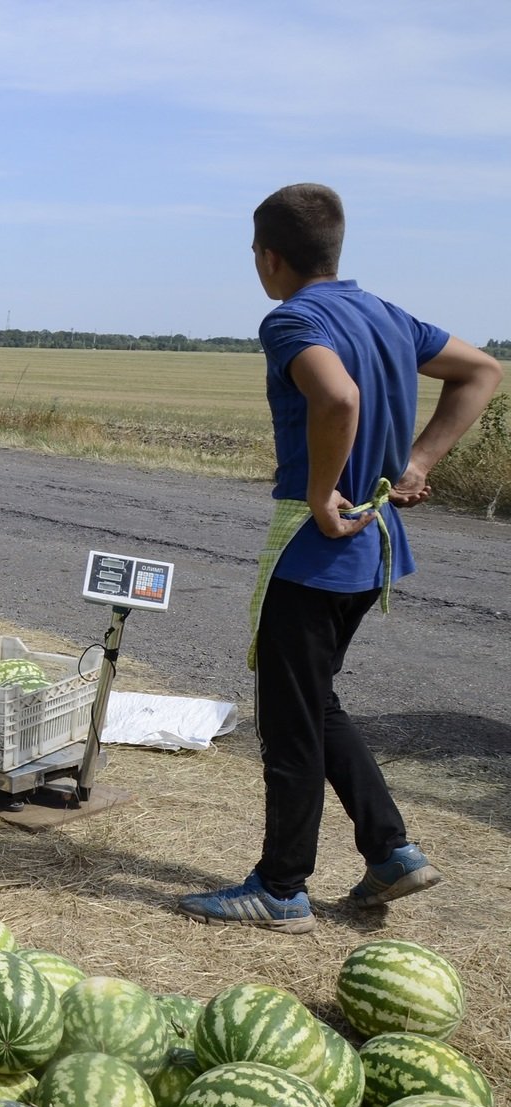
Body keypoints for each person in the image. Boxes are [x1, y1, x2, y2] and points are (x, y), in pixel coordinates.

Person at [178, 184, 501, 933]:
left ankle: (281, 887)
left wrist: (324, 493)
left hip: (315, 550)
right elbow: (482, 370)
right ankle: (390, 852)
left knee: (290, 721)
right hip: (375, 549)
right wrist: (419, 461)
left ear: (268, 257)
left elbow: (338, 400)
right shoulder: (387, 314)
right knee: (316, 703)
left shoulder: (291, 319)